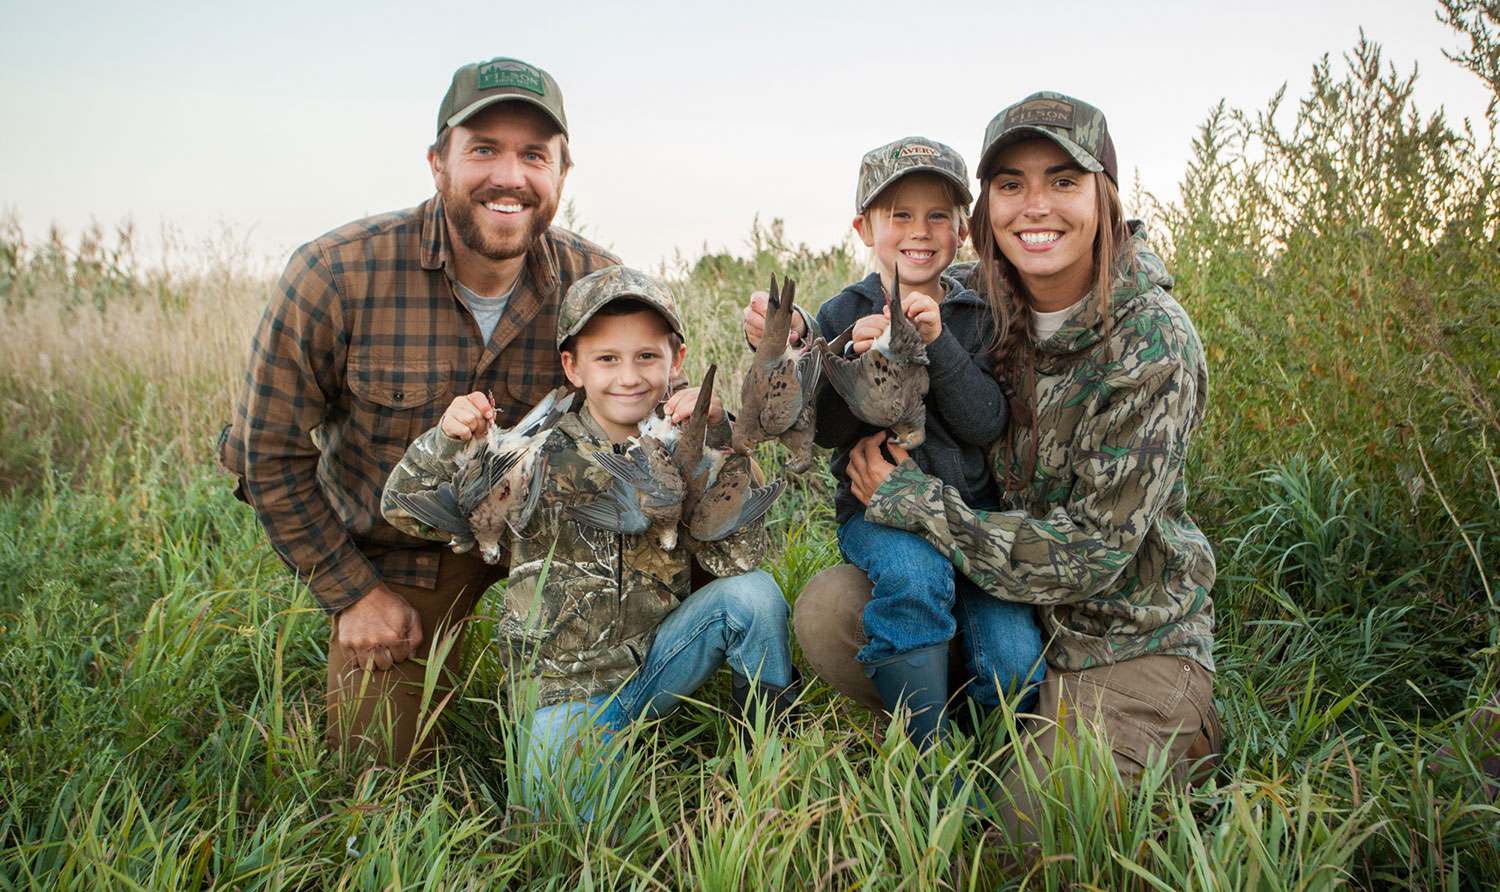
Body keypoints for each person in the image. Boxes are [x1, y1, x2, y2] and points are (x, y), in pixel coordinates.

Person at [793, 93, 1222, 844]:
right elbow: (826, 403)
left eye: (1064, 180)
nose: (1037, 207)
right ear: (988, 209)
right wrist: (816, 352)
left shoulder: (1151, 343)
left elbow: (1091, 553)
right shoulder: (987, 305)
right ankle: (945, 741)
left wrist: (915, 500)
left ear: (1105, 196)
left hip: (1117, 638)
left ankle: (1165, 729)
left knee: (1028, 839)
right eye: (1013, 185)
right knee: (831, 612)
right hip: (1001, 602)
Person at [219, 56, 621, 762]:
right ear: (439, 163)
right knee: (379, 774)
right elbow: (267, 453)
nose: (511, 176)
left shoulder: (599, 286)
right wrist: (351, 594)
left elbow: (654, 426)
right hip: (403, 560)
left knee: (610, 720)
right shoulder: (337, 274)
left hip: (548, 546)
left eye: (535, 154)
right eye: (484, 150)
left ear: (562, 174)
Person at [382, 266, 798, 805]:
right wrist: (448, 437)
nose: (629, 376)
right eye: (607, 359)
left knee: (756, 595)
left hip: (659, 666)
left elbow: (741, 556)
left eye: (647, 356)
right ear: (572, 368)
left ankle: (767, 764)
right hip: (565, 691)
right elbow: (401, 509)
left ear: (677, 360)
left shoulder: (682, 446)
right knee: (573, 839)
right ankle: (580, 755)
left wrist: (715, 436)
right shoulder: (530, 453)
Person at [745, 137, 1043, 751]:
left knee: (1013, 656)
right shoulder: (840, 312)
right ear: (863, 227)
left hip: (974, 520)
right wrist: (827, 355)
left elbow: (987, 422)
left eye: (938, 215)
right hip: (880, 516)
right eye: (899, 215)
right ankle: (927, 755)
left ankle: (992, 751)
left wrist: (939, 346)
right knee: (912, 580)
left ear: (962, 231)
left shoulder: (977, 314)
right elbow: (824, 431)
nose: (920, 230)